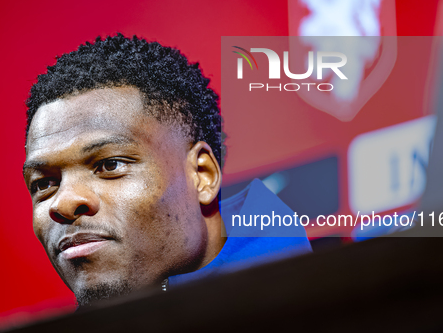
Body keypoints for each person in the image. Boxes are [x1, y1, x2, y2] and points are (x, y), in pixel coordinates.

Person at [23, 34, 311, 307]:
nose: (63, 202)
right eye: (45, 183)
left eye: (110, 165)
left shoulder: (322, 309)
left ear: (202, 175)